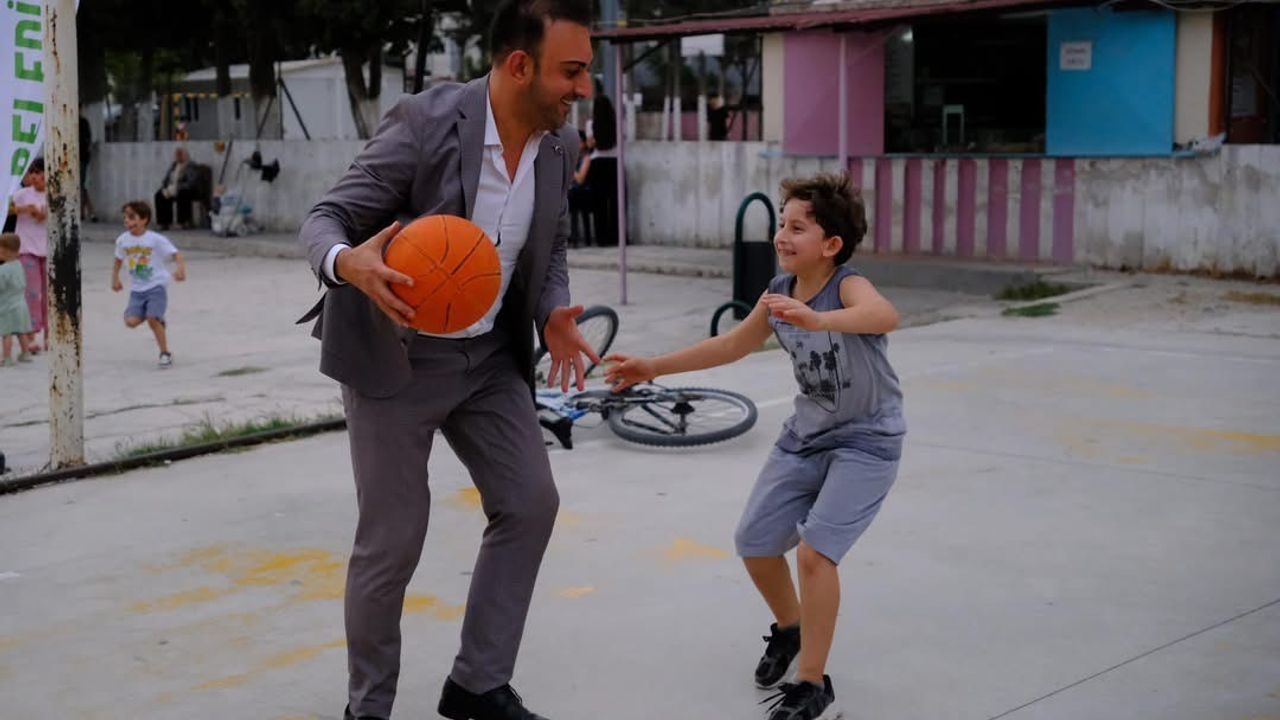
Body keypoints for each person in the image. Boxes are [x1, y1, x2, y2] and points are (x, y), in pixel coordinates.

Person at [296, 1, 599, 718]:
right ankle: (368, 707)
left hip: (489, 359)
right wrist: (346, 263)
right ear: (519, 66)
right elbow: (325, 218)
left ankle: (476, 685)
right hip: (395, 359)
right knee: (393, 542)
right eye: (572, 71)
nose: (583, 88)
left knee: (530, 502)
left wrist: (552, 310)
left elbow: (550, 246)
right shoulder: (426, 122)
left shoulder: (558, 146)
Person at [606, 172, 905, 720]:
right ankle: (791, 629)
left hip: (866, 441)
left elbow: (885, 315)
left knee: (815, 553)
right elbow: (731, 345)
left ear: (832, 244)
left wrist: (819, 318)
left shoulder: (846, 286)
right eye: (781, 224)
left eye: (797, 227)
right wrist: (653, 366)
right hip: (805, 437)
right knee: (756, 541)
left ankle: (812, 682)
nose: (781, 236)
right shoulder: (778, 293)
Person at [111, 201, 186, 368]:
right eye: (125, 218)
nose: (127, 221)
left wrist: (181, 269)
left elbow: (176, 254)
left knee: (152, 319)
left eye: (132, 217)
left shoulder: (155, 239)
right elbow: (118, 260)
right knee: (130, 322)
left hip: (156, 286)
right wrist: (115, 278)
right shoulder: (122, 240)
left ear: (144, 219)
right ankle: (156, 317)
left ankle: (165, 353)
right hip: (137, 290)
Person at [10, 158, 47, 353]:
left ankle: (50, 334)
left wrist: (42, 214)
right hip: (26, 249)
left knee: (50, 294)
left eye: (39, 173)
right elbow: (7, 208)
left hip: (48, 249)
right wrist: (25, 209)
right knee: (31, 293)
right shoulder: (22, 194)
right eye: (32, 172)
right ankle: (31, 335)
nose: (34, 177)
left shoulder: (55, 195)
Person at [0, 233, 34, 366]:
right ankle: (26, 353)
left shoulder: (3, 270)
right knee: (21, 332)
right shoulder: (19, 265)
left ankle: (7, 358)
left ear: (5, 251)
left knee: (6, 333)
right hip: (21, 304)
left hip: (7, 307)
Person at [154, 147, 199, 230]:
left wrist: (178, 187)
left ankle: (183, 222)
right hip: (172, 188)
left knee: (183, 194)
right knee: (159, 195)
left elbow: (191, 182)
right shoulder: (174, 165)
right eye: (177, 155)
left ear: (186, 155)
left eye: (181, 155)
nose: (178, 157)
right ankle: (163, 222)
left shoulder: (191, 166)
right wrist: (165, 187)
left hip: (186, 189)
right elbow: (166, 179)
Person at [568, 129, 594, 246]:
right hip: (573, 191)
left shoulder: (586, 158)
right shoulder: (574, 157)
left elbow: (580, 179)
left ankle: (575, 238)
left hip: (584, 192)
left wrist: (570, 167)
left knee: (573, 197)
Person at [80, 115, 99, 222]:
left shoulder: (82, 122)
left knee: (81, 186)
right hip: (78, 157)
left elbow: (87, 141)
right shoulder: (82, 122)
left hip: (81, 157)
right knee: (81, 186)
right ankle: (88, 212)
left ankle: (87, 211)